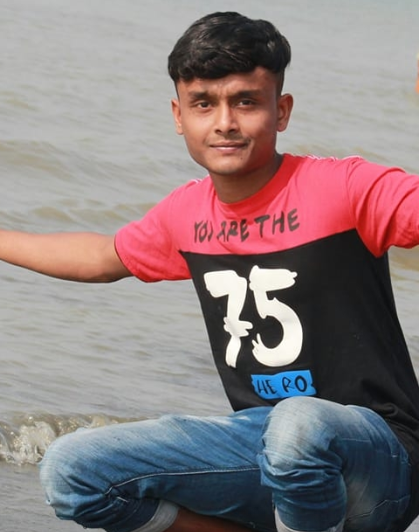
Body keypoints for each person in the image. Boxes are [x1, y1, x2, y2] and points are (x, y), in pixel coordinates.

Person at [1, 10, 419, 532]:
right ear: (179, 115)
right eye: (204, 104)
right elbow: (102, 258)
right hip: (262, 448)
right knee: (72, 469)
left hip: (382, 458)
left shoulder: (347, 189)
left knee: (298, 423)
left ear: (281, 111)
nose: (224, 122)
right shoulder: (187, 214)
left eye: (245, 101)